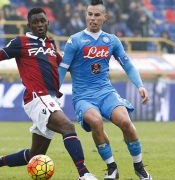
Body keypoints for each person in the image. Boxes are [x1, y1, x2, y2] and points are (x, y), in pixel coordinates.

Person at [0, 7, 97, 180]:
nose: (40, 25)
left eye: (42, 21)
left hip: (51, 99)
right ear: (29, 25)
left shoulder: (50, 44)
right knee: (68, 127)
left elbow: (67, 65)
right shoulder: (20, 43)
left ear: (47, 22)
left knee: (34, 155)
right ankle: (84, 174)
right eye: (35, 22)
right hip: (37, 97)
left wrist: (91, 68)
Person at [58, 0, 152, 180]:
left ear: (104, 17)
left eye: (97, 15)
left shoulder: (111, 40)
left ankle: (139, 167)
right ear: (86, 15)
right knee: (96, 121)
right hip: (84, 96)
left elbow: (128, 65)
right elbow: (62, 69)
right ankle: (112, 168)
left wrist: (140, 85)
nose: (92, 18)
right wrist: (54, 93)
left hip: (106, 92)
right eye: (90, 14)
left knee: (125, 121)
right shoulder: (75, 40)